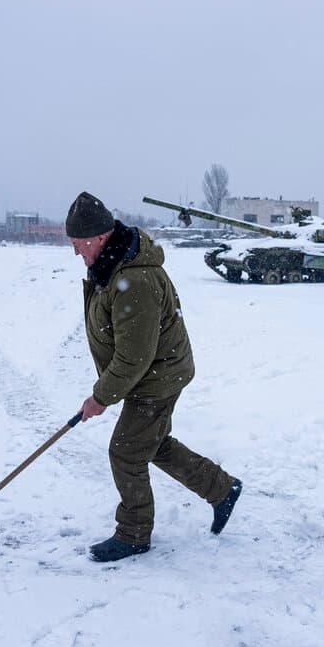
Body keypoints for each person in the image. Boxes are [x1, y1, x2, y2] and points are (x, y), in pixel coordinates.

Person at [67, 191, 242, 562]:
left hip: (158, 377)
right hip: (153, 373)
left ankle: (133, 534)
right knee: (151, 442)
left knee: (125, 451)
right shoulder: (112, 267)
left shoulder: (134, 279)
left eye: (79, 243)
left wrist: (100, 397)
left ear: (100, 236)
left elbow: (134, 357)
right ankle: (221, 489)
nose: (76, 251)